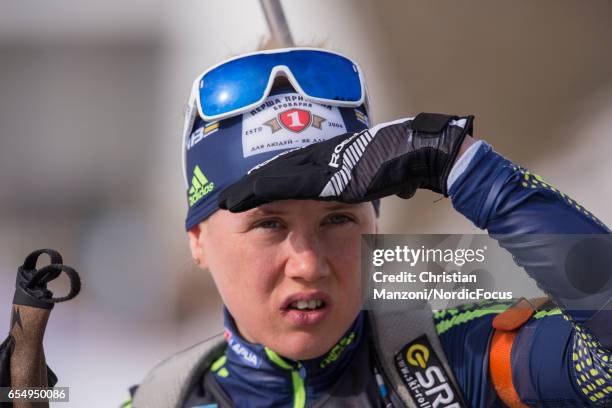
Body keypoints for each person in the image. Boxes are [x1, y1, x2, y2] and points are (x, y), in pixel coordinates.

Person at [124, 47, 611, 407]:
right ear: (198, 241)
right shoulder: (160, 400)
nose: (309, 263)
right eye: (269, 224)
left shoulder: (461, 358)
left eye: (338, 218)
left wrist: (462, 167)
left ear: (375, 222)